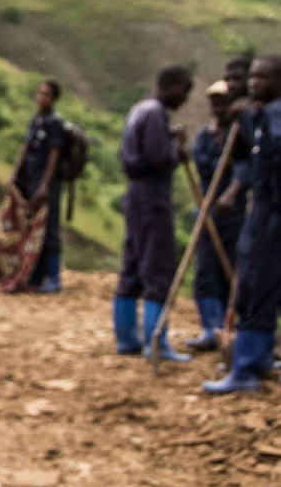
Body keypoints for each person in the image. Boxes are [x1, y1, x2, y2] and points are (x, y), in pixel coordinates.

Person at [205, 56, 281, 393]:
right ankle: (260, 359)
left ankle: (246, 369)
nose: (254, 83)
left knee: (255, 282)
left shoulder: (275, 119)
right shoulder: (262, 116)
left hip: (272, 211)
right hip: (263, 208)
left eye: (263, 77)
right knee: (257, 282)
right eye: (252, 77)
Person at [112, 65, 194, 362]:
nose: (184, 100)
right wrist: (178, 152)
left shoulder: (140, 109)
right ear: (170, 86)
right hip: (152, 197)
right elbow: (160, 158)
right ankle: (156, 343)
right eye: (184, 91)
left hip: (135, 195)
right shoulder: (156, 113)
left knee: (132, 264)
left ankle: (125, 339)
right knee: (158, 269)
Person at [186, 81, 244, 352]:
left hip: (235, 213)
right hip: (208, 209)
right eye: (215, 102)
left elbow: (246, 170)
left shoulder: (240, 134)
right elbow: (204, 165)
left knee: (230, 270)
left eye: (223, 101)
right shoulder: (204, 136)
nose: (218, 107)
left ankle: (229, 330)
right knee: (206, 269)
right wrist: (226, 160)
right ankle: (210, 328)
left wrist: (233, 161)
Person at [10, 79, 66, 292]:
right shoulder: (36, 120)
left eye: (46, 94)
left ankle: (54, 278)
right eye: (39, 93)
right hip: (31, 180)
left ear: (54, 99)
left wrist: (45, 185)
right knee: (33, 229)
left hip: (47, 184)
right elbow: (25, 149)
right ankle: (36, 276)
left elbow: (53, 156)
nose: (41, 97)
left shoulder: (54, 123)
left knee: (49, 228)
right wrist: (15, 175)